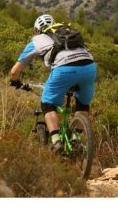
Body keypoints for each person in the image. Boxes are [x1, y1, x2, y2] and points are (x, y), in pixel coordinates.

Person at [9, 14, 96, 151]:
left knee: (48, 103)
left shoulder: (37, 40)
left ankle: (56, 142)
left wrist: (15, 81)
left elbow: (14, 72)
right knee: (82, 105)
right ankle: (76, 141)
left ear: (37, 30)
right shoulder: (67, 34)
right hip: (89, 67)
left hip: (64, 69)